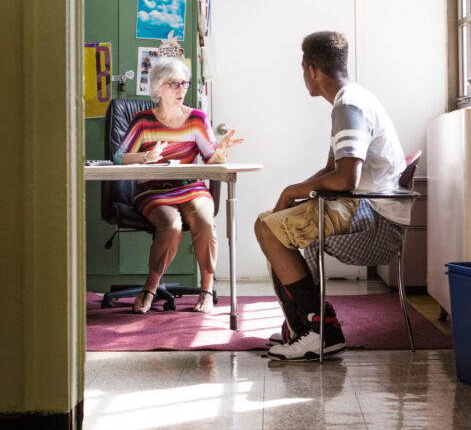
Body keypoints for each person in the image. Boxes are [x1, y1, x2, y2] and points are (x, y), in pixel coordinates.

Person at [253, 31, 408, 361]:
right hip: (366, 207)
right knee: (272, 222)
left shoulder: (349, 106)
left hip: (372, 219)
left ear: (311, 69)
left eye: (302, 68)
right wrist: (295, 196)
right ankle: (302, 327)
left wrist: (289, 191)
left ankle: (318, 331)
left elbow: (346, 178)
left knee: (268, 229)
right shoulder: (350, 100)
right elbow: (331, 172)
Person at [113, 57, 244, 314]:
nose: (182, 90)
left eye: (184, 83)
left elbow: (210, 159)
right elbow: (119, 156)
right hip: (153, 191)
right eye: (174, 84)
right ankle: (150, 287)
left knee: (206, 221)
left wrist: (222, 150)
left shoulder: (196, 119)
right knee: (171, 225)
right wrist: (144, 157)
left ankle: (206, 289)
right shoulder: (143, 121)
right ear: (158, 88)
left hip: (191, 187)